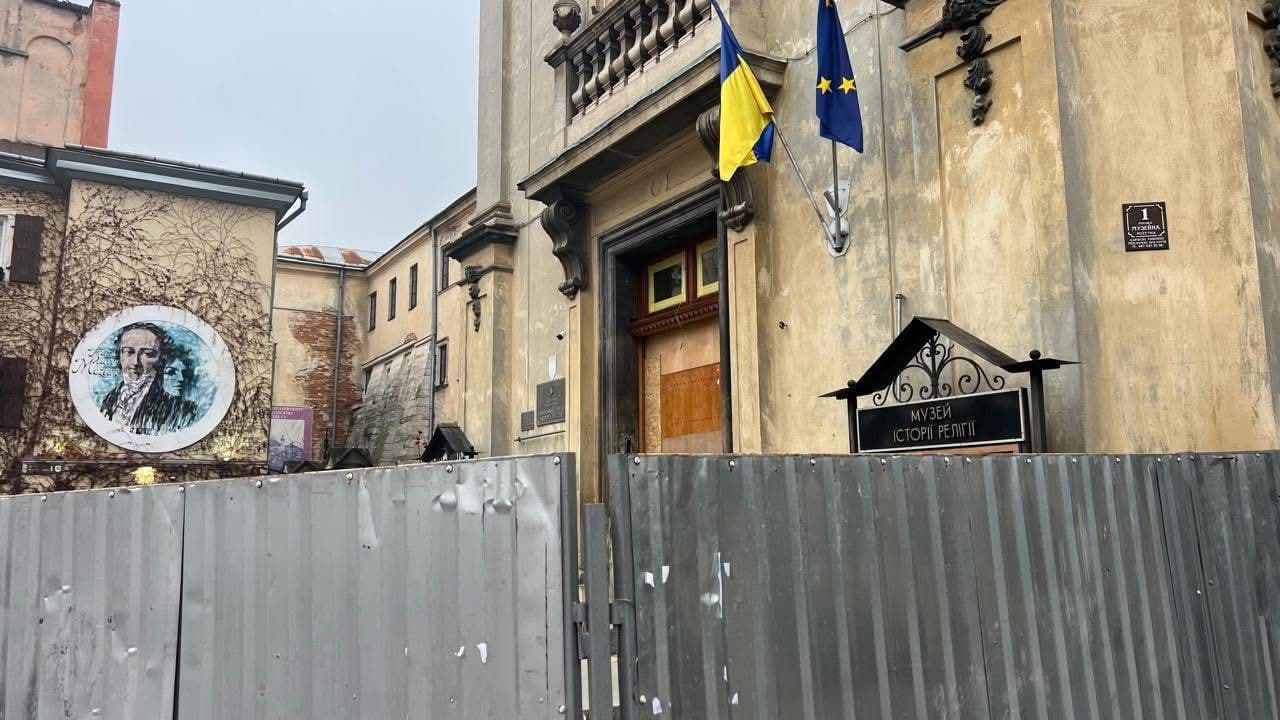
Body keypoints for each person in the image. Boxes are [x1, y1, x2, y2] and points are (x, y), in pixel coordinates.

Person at [99, 322, 199, 435]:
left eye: (147, 354)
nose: (135, 362)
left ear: (161, 358)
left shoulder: (179, 408)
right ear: (120, 354)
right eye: (128, 352)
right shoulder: (111, 397)